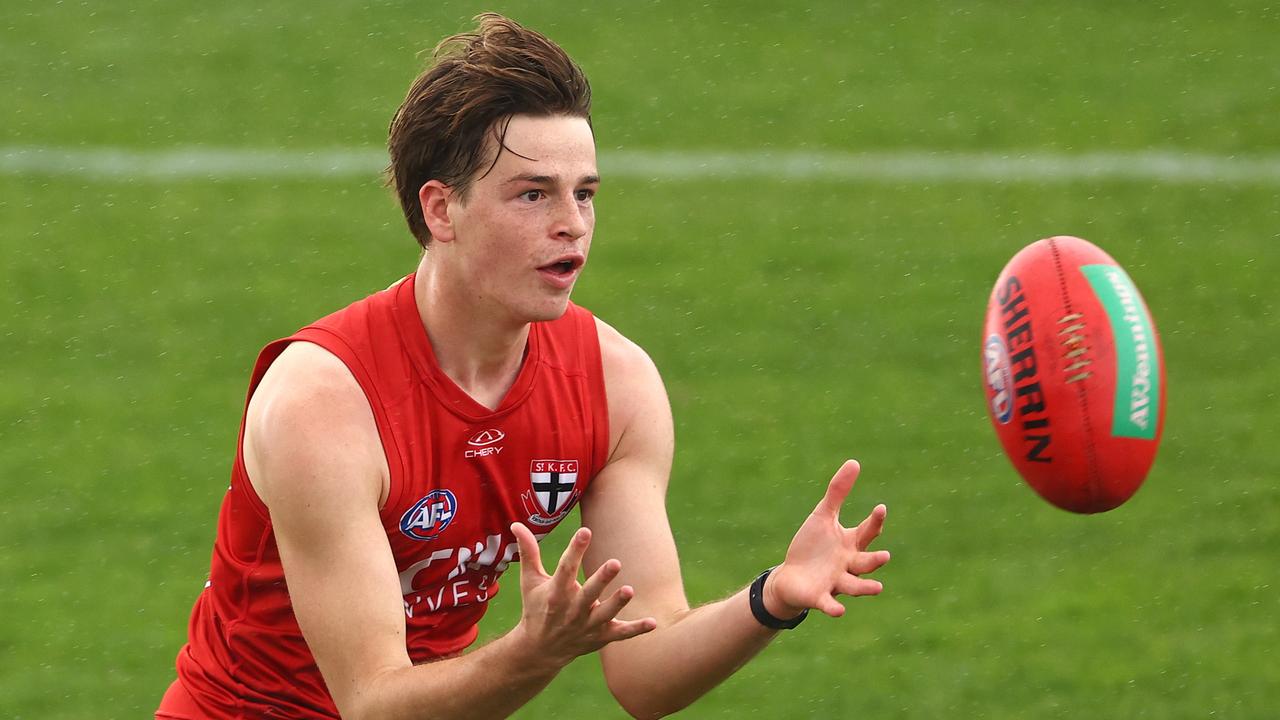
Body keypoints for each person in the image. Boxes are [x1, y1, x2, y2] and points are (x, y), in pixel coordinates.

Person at [157, 13, 890, 720]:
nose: (571, 221)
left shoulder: (615, 385)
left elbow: (646, 671)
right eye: (534, 194)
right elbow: (372, 703)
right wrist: (534, 652)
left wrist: (774, 597)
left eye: (586, 193)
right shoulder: (322, 402)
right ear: (442, 211)